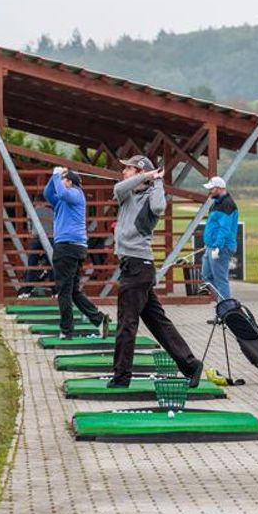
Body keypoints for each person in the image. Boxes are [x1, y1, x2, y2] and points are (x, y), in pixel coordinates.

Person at [109, 156, 205, 389]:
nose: (124, 172)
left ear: (140, 171)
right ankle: (190, 365)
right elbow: (118, 188)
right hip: (133, 267)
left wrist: (157, 180)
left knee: (126, 323)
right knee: (158, 323)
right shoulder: (126, 195)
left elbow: (159, 207)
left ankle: (121, 377)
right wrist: (144, 176)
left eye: (128, 168)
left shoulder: (151, 196)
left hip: (138, 267)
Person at [43, 166, 110, 340]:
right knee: (73, 291)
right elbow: (47, 193)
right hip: (73, 247)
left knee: (63, 291)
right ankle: (98, 318)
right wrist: (54, 176)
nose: (60, 182)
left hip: (68, 247)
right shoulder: (62, 200)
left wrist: (57, 175)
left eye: (63, 179)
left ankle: (66, 330)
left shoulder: (75, 193)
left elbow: (61, 192)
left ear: (69, 182)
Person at [200, 176, 238, 301]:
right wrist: (209, 244)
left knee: (220, 279)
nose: (209, 191)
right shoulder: (216, 203)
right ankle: (221, 302)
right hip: (211, 246)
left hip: (221, 247)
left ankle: (226, 306)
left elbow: (224, 228)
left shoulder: (227, 204)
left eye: (211, 189)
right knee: (206, 275)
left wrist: (217, 246)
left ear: (219, 188)